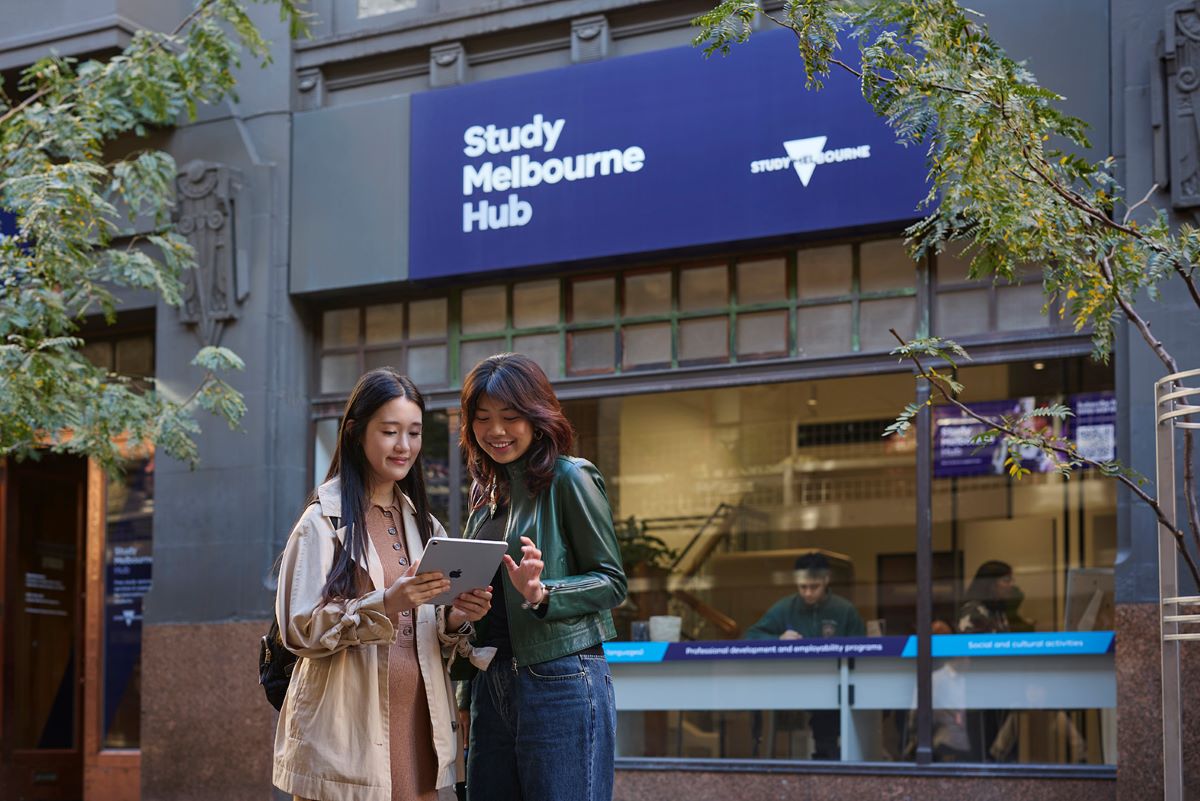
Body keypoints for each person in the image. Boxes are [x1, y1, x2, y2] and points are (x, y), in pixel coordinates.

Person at [272, 369, 492, 801]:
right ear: (356, 432)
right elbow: (297, 629)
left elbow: (426, 629)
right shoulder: (322, 522)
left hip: (419, 723)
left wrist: (456, 615)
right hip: (348, 735)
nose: (404, 446)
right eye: (390, 431)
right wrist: (386, 601)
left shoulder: (424, 523)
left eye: (413, 432)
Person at [456, 353, 627, 801]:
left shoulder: (569, 477)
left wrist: (543, 592)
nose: (496, 430)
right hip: (489, 684)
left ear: (537, 415)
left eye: (510, 417)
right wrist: (462, 692)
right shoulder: (484, 497)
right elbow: (476, 608)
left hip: (561, 679)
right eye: (483, 418)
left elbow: (611, 581)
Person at [745, 552, 864, 760]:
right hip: (793, 686)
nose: (808, 593)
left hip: (836, 688)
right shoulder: (785, 607)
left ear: (826, 580)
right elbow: (751, 637)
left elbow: (864, 650)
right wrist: (778, 640)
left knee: (830, 721)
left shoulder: (845, 611)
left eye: (814, 587)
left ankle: (829, 754)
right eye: (802, 587)